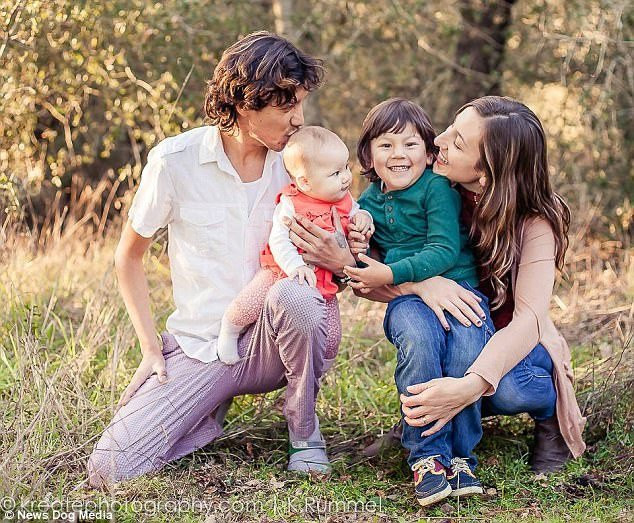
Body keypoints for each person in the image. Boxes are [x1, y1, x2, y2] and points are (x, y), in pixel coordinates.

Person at [87, 32, 360, 486]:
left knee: (293, 297)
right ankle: (207, 405)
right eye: (287, 105)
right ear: (244, 101)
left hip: (277, 340)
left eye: (301, 104)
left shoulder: (300, 165)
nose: (299, 119)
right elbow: (128, 257)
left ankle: (304, 430)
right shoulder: (174, 161)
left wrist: (341, 261)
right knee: (110, 468)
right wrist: (151, 347)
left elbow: (343, 250)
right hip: (204, 345)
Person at [350, 96, 585, 482]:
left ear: (487, 174)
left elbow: (529, 319)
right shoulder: (432, 186)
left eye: (457, 143)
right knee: (427, 338)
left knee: (505, 390)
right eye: (450, 129)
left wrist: (470, 386)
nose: (437, 141)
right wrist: (420, 283)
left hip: (516, 341)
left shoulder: (535, 222)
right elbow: (370, 279)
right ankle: (425, 425)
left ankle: (549, 415)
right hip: (457, 329)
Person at [343, 98, 493, 507]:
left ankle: (461, 456)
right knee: (420, 343)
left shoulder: (437, 189)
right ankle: (427, 456)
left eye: (410, 144)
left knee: (465, 352)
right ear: (368, 156)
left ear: (429, 154)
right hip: (410, 300)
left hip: (460, 291)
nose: (398, 154)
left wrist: (389, 271)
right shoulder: (367, 202)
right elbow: (360, 255)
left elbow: (443, 250)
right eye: (386, 145)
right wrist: (359, 237)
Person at [217, 126, 373, 365]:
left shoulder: (344, 199)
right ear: (305, 182)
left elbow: (356, 212)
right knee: (249, 303)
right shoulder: (291, 204)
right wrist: (294, 266)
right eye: (335, 173)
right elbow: (278, 239)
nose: (345, 177)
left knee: (331, 334)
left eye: (345, 168)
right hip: (282, 271)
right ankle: (230, 329)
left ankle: (320, 363)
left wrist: (364, 218)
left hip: (323, 277)